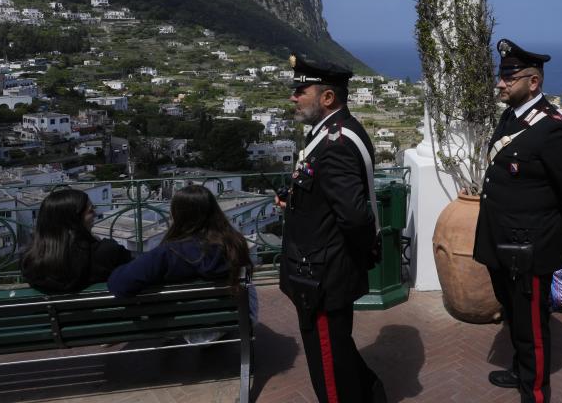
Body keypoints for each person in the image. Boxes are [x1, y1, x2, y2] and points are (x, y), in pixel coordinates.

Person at [474, 39, 562, 403]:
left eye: (509, 77)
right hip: (501, 240)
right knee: (513, 314)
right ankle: (521, 370)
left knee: (533, 325)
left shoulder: (554, 128)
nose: (500, 83)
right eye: (501, 75)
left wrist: (555, 237)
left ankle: (535, 392)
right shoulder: (511, 116)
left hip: (530, 246)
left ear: (533, 82)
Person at [276, 54, 385, 403]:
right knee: (336, 350)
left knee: (328, 364)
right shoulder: (328, 133)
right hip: (323, 269)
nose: (293, 97)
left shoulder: (335, 144)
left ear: (327, 98)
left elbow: (354, 218)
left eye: (300, 90)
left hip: (321, 275)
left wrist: (355, 256)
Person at [107, 184, 254, 301]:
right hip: (229, 322)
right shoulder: (235, 244)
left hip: (181, 328)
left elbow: (120, 285)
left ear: (177, 215)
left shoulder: (169, 254)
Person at [22, 187, 131, 293]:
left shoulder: (30, 263)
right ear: (74, 221)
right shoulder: (107, 252)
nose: (95, 214)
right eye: (90, 211)